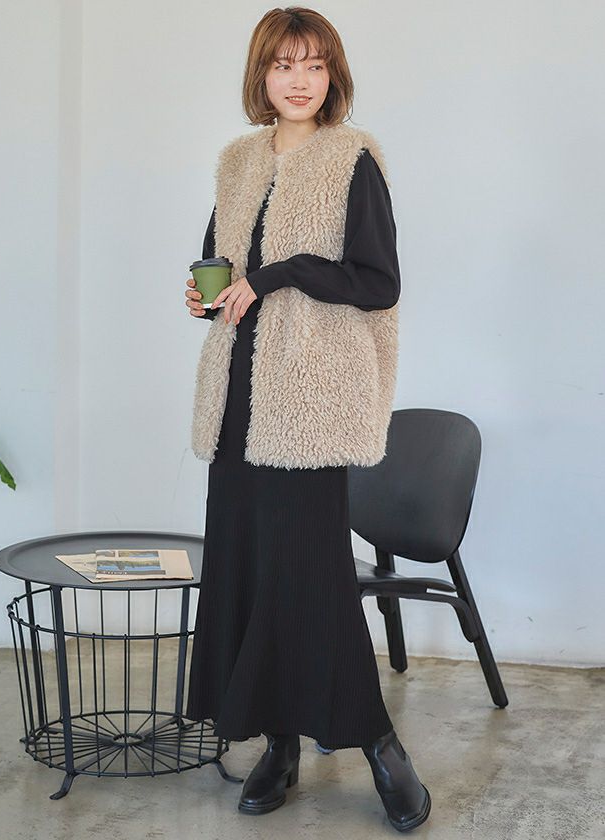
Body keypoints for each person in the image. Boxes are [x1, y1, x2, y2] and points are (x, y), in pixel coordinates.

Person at [183, 7, 431, 832]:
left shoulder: (353, 158)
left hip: (308, 400)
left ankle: (381, 746)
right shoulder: (237, 159)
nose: (299, 80)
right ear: (262, 74)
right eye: (284, 65)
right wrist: (204, 293)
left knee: (312, 577)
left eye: (314, 65)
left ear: (333, 75)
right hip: (238, 397)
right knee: (252, 572)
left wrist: (279, 273)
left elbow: (377, 280)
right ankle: (279, 745)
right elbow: (221, 259)